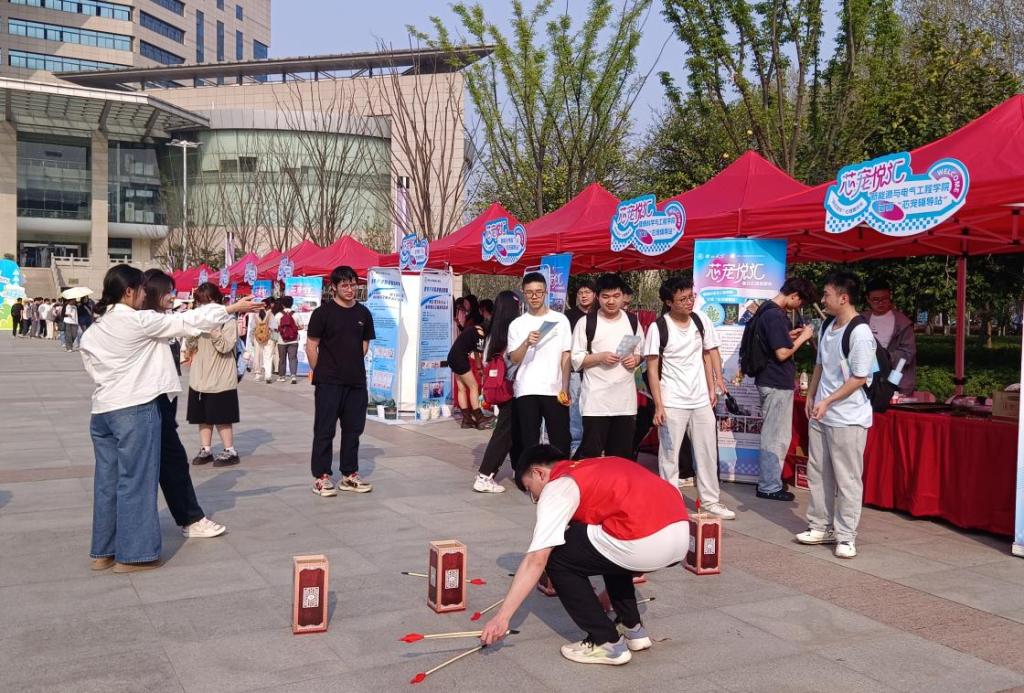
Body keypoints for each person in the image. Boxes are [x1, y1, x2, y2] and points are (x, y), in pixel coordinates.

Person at [79, 265, 257, 573]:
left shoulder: (95, 329)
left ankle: (103, 552)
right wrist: (230, 308)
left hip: (103, 411)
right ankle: (134, 555)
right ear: (129, 292)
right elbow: (188, 321)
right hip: (134, 408)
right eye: (141, 289)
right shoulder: (139, 321)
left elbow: (93, 369)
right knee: (136, 481)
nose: (145, 294)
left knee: (108, 482)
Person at [479, 445, 689, 666]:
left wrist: (501, 618)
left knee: (557, 556)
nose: (536, 499)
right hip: (680, 537)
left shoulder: (559, 485)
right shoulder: (598, 465)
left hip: (640, 540)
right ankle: (632, 628)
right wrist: (610, 594)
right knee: (594, 536)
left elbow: (536, 559)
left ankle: (606, 642)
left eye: (531, 491)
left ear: (538, 473)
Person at [141, 270, 226, 539]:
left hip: (162, 399)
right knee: (166, 461)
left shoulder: (158, 318)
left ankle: (185, 518)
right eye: (168, 292)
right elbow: (193, 320)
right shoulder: (147, 320)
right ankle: (187, 518)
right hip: (147, 402)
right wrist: (231, 308)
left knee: (169, 460)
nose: (173, 297)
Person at [797, 272, 875, 559]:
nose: (822, 299)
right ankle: (820, 525)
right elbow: (819, 365)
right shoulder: (827, 326)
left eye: (827, 294)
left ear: (844, 298)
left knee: (847, 478)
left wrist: (828, 401)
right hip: (822, 414)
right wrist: (811, 395)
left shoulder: (860, 333)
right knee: (818, 472)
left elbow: (859, 377)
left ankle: (846, 535)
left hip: (848, 417)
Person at [645, 277, 735, 520]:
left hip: (700, 400)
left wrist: (716, 382)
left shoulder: (700, 320)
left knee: (707, 452)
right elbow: (652, 370)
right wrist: (659, 405)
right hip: (672, 400)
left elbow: (710, 351)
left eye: (690, 297)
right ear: (668, 302)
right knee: (669, 455)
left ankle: (710, 501)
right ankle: (669, 502)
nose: (688, 302)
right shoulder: (658, 328)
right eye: (682, 299)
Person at [306, 265, 375, 497]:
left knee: (353, 429)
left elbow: (364, 346)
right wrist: (321, 373)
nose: (349, 289)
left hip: (356, 382)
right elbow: (311, 346)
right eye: (344, 285)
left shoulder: (363, 314)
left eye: (353, 284)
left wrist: (349, 364)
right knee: (324, 430)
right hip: (328, 383)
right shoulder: (322, 314)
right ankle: (321, 477)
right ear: (333, 287)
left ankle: (349, 474)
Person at [751, 278, 818, 502]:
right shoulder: (776, 315)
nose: (799, 307)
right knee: (776, 437)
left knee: (775, 434)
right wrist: (804, 338)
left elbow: (772, 344)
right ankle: (769, 486)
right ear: (794, 295)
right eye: (801, 302)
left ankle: (770, 482)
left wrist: (789, 337)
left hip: (768, 380)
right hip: (776, 382)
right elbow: (781, 354)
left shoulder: (766, 309)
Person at [571, 274, 644, 459]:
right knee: (591, 454)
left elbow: (641, 351)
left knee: (621, 456)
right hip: (595, 402)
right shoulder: (586, 322)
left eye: (616, 296)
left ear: (623, 296)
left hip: (625, 402)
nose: (611, 301)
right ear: (598, 296)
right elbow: (576, 359)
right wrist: (599, 357)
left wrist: (635, 359)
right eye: (606, 296)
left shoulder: (632, 321)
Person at [508, 272, 572, 455]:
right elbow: (514, 359)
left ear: (546, 292)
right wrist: (526, 343)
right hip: (527, 388)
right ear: (524, 293)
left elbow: (566, 355)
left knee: (561, 439)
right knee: (529, 441)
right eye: (529, 292)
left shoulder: (560, 320)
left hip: (554, 389)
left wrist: (565, 386)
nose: (534, 296)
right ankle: (531, 472)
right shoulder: (517, 324)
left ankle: (560, 470)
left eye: (539, 292)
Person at [185, 283, 242, 467]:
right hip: (199, 376)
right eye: (201, 302)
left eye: (207, 301)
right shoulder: (198, 320)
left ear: (217, 300)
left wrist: (213, 329)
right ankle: (206, 449)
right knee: (202, 416)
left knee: (222, 416)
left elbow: (226, 346)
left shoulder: (228, 320)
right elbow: (191, 347)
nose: (204, 306)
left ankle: (230, 450)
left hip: (221, 376)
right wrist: (192, 333)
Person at [473, 290, 523, 493]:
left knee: (514, 432)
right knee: (504, 433)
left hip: (500, 390)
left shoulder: (494, 333)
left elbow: (487, 361)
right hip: (511, 389)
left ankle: (520, 470)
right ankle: (484, 475)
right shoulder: (513, 333)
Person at [862, 278, 916, 396]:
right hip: (867, 379)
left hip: (896, 381)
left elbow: (908, 353)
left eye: (885, 299)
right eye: (876, 300)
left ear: (890, 296)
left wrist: (885, 356)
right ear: (868, 299)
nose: (881, 303)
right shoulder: (861, 320)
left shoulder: (903, 323)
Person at [565, 280, 596, 455]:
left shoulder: (600, 314)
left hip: (596, 369)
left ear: (595, 294)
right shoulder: (569, 316)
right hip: (575, 370)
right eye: (580, 293)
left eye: (587, 292)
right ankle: (575, 447)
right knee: (575, 409)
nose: (584, 296)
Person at [448, 318, 488, 429]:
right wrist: (480, 368)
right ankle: (480, 418)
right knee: (474, 386)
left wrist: (479, 368)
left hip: (452, 357)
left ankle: (466, 420)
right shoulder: (481, 334)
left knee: (462, 388)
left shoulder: (472, 329)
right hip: (460, 359)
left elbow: (476, 352)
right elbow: (479, 352)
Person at [272, 296, 300, 384]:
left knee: (282, 358)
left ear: (282, 304)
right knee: (293, 358)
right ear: (292, 304)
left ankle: (282, 377)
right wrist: (294, 329)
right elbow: (301, 326)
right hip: (294, 340)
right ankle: (293, 376)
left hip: (281, 340)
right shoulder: (296, 314)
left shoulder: (278, 315)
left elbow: (274, 328)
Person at [251, 300, 276, 384]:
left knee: (257, 356)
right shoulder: (270, 315)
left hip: (257, 338)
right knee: (268, 356)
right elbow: (274, 327)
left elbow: (252, 328)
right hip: (269, 338)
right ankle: (268, 375)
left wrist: (252, 339)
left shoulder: (255, 315)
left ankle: (257, 375)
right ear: (268, 306)